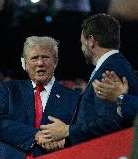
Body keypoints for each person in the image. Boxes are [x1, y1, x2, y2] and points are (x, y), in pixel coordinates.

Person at [40, 13, 138, 146]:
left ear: (91, 41)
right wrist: (66, 140)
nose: (81, 48)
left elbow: (110, 123)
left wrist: (67, 130)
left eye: (82, 43)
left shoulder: (108, 72)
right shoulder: (118, 65)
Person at [0, 36, 79, 159]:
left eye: (46, 57)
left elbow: (80, 131)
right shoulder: (9, 89)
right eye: (34, 58)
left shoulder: (73, 97)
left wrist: (65, 141)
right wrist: (36, 135)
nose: (40, 63)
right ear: (25, 64)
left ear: (56, 62)